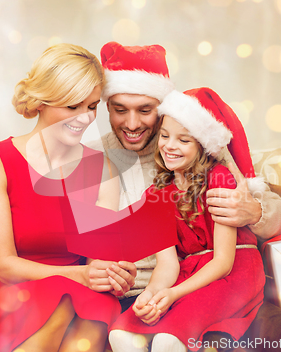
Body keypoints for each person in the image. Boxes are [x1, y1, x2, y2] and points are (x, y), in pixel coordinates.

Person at [0, 42, 281, 352]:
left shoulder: (201, 149)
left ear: (164, 107)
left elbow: (277, 214)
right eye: (117, 109)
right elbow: (61, 243)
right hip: (134, 295)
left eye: (145, 110)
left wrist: (254, 211)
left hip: (207, 286)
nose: (132, 123)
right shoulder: (96, 159)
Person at [0, 43, 136, 352]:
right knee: (68, 298)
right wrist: (80, 275)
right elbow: (5, 266)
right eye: (72, 106)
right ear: (41, 102)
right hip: (8, 294)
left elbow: (98, 259)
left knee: (96, 305)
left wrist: (113, 274)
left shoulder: (100, 168)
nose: (85, 118)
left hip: (76, 293)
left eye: (92, 107)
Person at [109, 87, 266, 352]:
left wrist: (173, 295)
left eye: (184, 141)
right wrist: (151, 295)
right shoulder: (156, 193)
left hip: (234, 272)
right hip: (188, 272)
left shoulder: (219, 178)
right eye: (165, 136)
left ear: (202, 146)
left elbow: (223, 263)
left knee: (168, 340)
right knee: (121, 334)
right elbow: (168, 265)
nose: (170, 146)